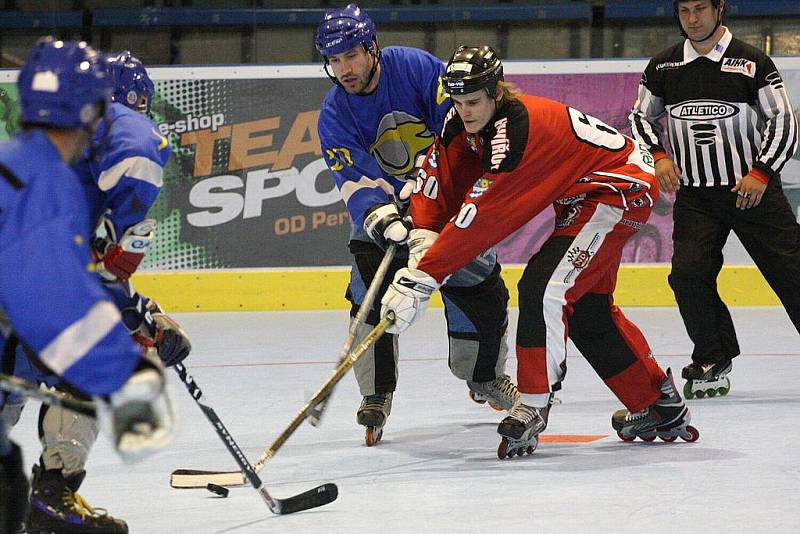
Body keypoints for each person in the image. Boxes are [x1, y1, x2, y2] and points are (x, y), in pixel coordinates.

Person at [381, 45, 700, 459]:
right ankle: (658, 404)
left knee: (543, 287)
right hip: (582, 196)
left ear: (497, 93)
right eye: (457, 102)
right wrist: (423, 232)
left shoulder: (518, 131)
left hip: (618, 190)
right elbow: (440, 176)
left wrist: (425, 275)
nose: (465, 111)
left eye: (474, 101)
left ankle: (533, 403)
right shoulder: (460, 123)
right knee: (587, 310)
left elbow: (485, 213)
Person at [316, 4, 516, 446]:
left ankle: (484, 375)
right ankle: (375, 393)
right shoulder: (334, 113)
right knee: (368, 295)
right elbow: (353, 178)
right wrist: (382, 215)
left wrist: (428, 188)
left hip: (448, 200)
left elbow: (458, 130)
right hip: (390, 210)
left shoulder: (414, 67)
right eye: (334, 60)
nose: (344, 68)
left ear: (372, 48)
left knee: (480, 288)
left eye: (351, 55)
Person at [0, 39, 177, 534]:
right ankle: (52, 498)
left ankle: (43, 503)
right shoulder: (122, 149)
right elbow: (67, 296)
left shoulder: (26, 160)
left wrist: (134, 307)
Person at [629, 0, 800, 399]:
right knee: (687, 276)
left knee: (792, 273)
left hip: (753, 193)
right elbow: (639, 117)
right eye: (684, 10)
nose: (693, 18)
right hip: (696, 198)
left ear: (719, 8)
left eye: (701, 8)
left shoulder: (752, 62)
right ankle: (712, 356)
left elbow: (784, 121)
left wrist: (761, 172)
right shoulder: (664, 67)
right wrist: (657, 155)